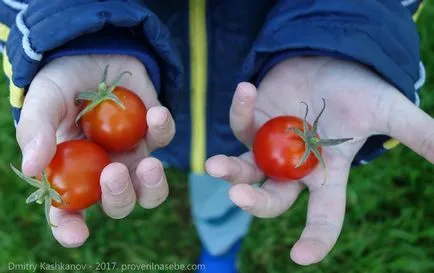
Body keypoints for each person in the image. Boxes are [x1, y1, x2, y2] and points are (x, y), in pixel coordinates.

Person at [1, 0, 433, 272]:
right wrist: (77, 36)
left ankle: (221, 249)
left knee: (227, 190)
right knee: (187, 169)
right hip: (157, 105)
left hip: (258, 108)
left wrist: (345, 39)